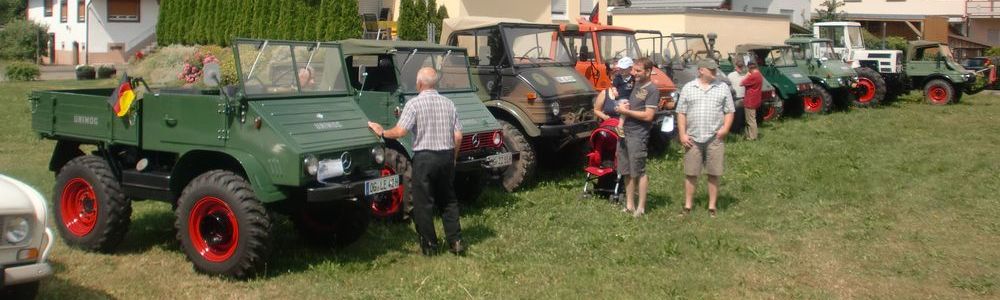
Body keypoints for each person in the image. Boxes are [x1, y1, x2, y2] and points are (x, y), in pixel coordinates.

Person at [367, 67, 464, 256]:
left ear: (419, 84)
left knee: (423, 203)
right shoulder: (449, 104)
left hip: (425, 158)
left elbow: (401, 132)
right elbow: (458, 136)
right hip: (446, 155)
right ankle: (456, 241)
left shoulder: (414, 104)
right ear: (435, 83)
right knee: (449, 200)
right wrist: (453, 158)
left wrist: (382, 132)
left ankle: (430, 246)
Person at [676, 59, 735, 218]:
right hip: (692, 138)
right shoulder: (689, 87)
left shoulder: (722, 88)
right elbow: (681, 112)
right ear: (701, 70)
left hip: (714, 138)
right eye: (711, 70)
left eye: (715, 70)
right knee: (691, 173)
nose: (715, 72)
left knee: (714, 173)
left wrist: (725, 129)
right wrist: (682, 134)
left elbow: (729, 111)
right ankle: (688, 206)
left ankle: (712, 207)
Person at [614, 57, 659, 217]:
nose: (634, 73)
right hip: (624, 132)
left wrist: (626, 112)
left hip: (638, 134)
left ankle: (641, 208)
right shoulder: (635, 84)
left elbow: (648, 116)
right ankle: (629, 205)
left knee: (638, 171)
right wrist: (623, 107)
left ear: (648, 72)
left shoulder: (652, 90)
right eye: (633, 70)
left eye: (638, 71)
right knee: (626, 170)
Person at [593, 57, 634, 125]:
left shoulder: (632, 88)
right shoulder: (604, 93)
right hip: (610, 125)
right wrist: (605, 117)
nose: (616, 76)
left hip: (629, 127)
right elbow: (596, 110)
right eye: (613, 74)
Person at [741, 62, 763, 140]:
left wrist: (747, 75)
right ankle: (751, 135)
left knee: (750, 120)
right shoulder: (759, 75)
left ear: (750, 68)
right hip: (756, 99)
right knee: (752, 118)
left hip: (750, 100)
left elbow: (741, 83)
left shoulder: (753, 76)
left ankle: (752, 137)